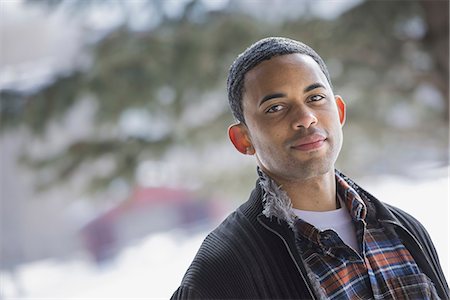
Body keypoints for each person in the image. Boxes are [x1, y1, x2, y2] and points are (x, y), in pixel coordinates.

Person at [171, 37, 449, 299]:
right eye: (275, 107)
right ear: (243, 139)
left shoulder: (405, 230)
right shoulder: (222, 272)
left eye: (315, 98)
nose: (305, 118)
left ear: (339, 112)